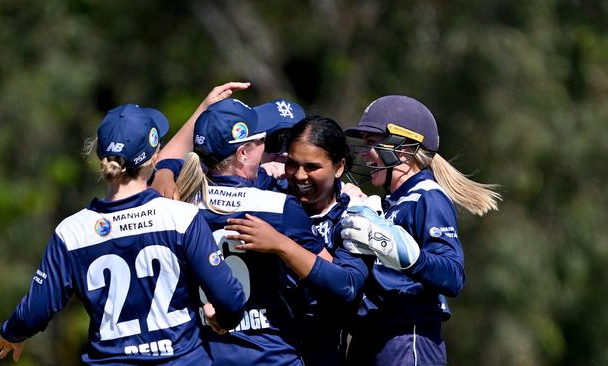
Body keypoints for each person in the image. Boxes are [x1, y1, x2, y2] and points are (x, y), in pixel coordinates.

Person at [0, 104, 246, 365]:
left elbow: (37, 310)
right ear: (154, 156)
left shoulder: (72, 232)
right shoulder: (181, 217)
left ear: (101, 158)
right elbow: (230, 299)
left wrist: (11, 333)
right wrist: (223, 319)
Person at [159, 98, 366, 365]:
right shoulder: (278, 207)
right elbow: (343, 285)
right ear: (244, 153)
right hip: (270, 355)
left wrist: (164, 170)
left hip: (206, 354)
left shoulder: (178, 203)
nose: (274, 152)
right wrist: (282, 244)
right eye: (263, 141)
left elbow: (166, 164)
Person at [339, 95, 502, 365]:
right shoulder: (389, 203)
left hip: (406, 339)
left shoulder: (428, 196)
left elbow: (453, 275)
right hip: (373, 335)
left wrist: (408, 256)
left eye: (372, 143)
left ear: (403, 149)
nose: (364, 154)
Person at [225, 115, 370, 366]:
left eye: (312, 167)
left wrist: (281, 244)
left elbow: (348, 287)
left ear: (339, 167)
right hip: (262, 349)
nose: (300, 176)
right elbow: (206, 166)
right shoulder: (268, 198)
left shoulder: (355, 215)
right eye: (292, 164)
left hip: (321, 352)